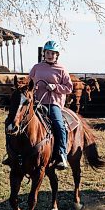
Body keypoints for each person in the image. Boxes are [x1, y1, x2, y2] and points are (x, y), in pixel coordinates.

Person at [28, 40, 73, 169]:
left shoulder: (61, 69)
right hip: (37, 102)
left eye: (53, 53)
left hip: (53, 103)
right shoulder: (37, 68)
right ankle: (15, 154)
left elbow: (69, 88)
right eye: (48, 52)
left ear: (57, 55)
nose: (50, 55)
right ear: (44, 53)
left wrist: (55, 87)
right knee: (20, 121)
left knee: (59, 126)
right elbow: (29, 82)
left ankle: (62, 155)